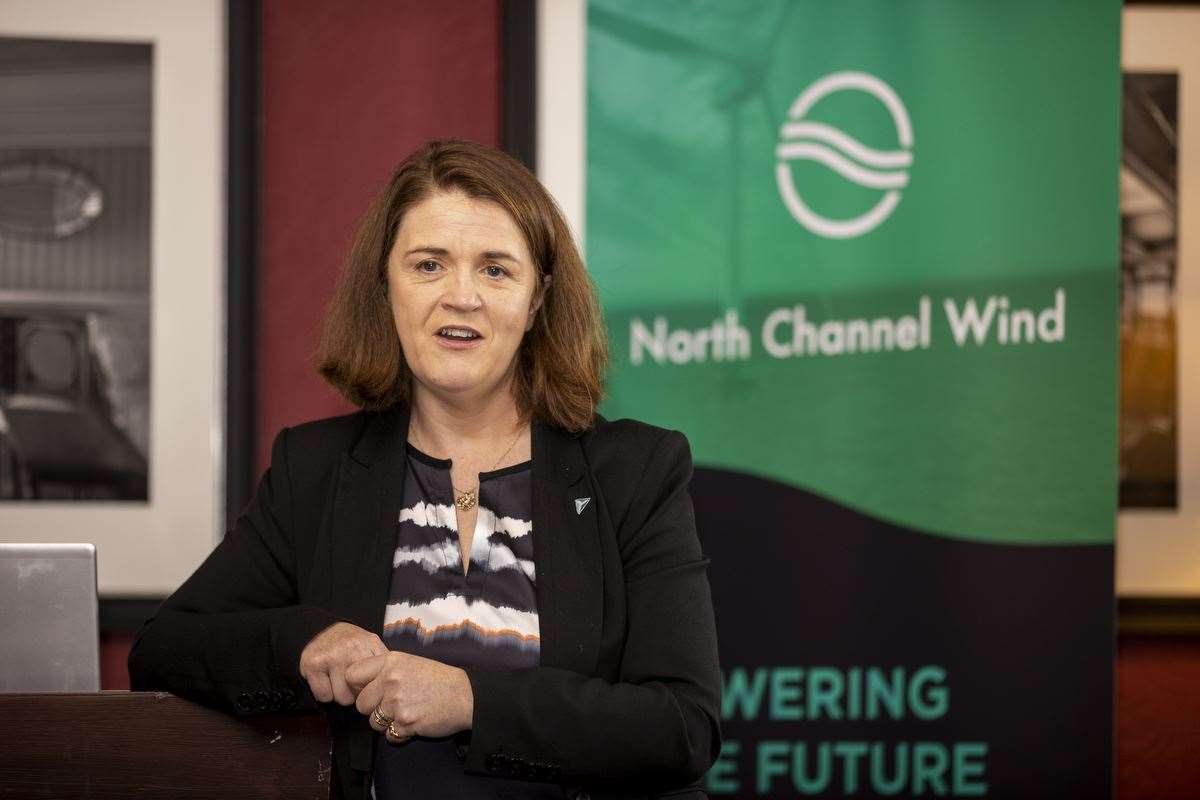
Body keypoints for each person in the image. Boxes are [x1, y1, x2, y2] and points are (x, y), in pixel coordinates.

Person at [127, 139, 721, 800]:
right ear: (386, 286)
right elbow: (165, 649)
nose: (460, 296)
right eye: (429, 264)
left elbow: (683, 728)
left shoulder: (634, 471)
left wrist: (469, 699)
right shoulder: (317, 468)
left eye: (496, 270)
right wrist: (303, 642)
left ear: (537, 300)